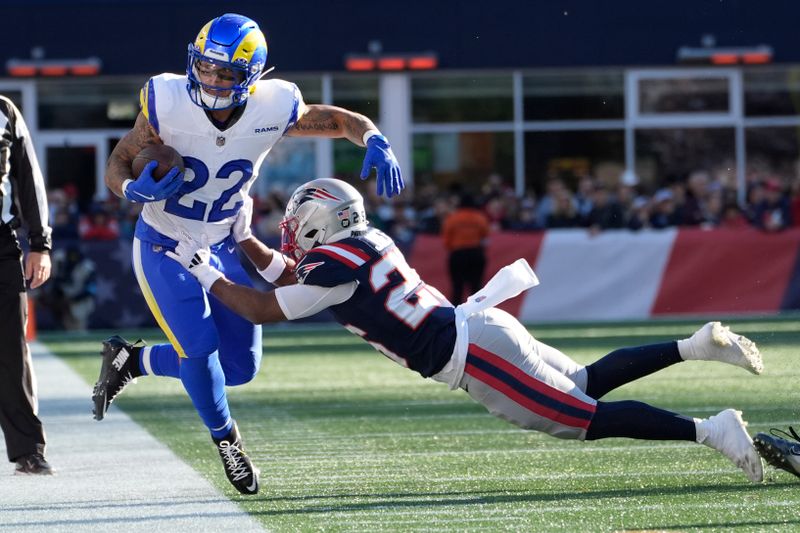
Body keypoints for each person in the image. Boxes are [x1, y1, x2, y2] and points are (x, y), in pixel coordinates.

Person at [170, 178, 765, 484]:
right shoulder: (360, 247)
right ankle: (696, 344)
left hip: (471, 354)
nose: (292, 231)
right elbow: (286, 278)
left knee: (579, 419)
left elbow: (260, 307)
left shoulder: (334, 266)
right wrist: (242, 236)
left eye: (299, 221)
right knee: (584, 382)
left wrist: (201, 267)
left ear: (322, 220)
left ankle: (712, 432)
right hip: (478, 324)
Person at [91, 13, 403, 495]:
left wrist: (374, 137)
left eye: (227, 74)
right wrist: (130, 187)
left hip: (222, 240)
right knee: (199, 351)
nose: (213, 81)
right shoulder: (166, 101)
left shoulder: (273, 108)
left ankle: (131, 362)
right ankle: (227, 442)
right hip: (165, 241)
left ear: (253, 77)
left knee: (239, 369)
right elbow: (119, 157)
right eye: (206, 68)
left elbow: (342, 120)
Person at [0, 95, 54, 475]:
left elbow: (29, 178)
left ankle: (28, 449)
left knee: (11, 350)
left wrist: (40, 244)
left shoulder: (4, 111)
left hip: (1, 245)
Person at [441, 193, 490, 303]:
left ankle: (456, 316)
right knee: (476, 288)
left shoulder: (452, 218)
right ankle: (478, 313)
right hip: (476, 254)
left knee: (457, 288)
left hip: (458, 255)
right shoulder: (480, 218)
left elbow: (446, 240)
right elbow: (486, 237)